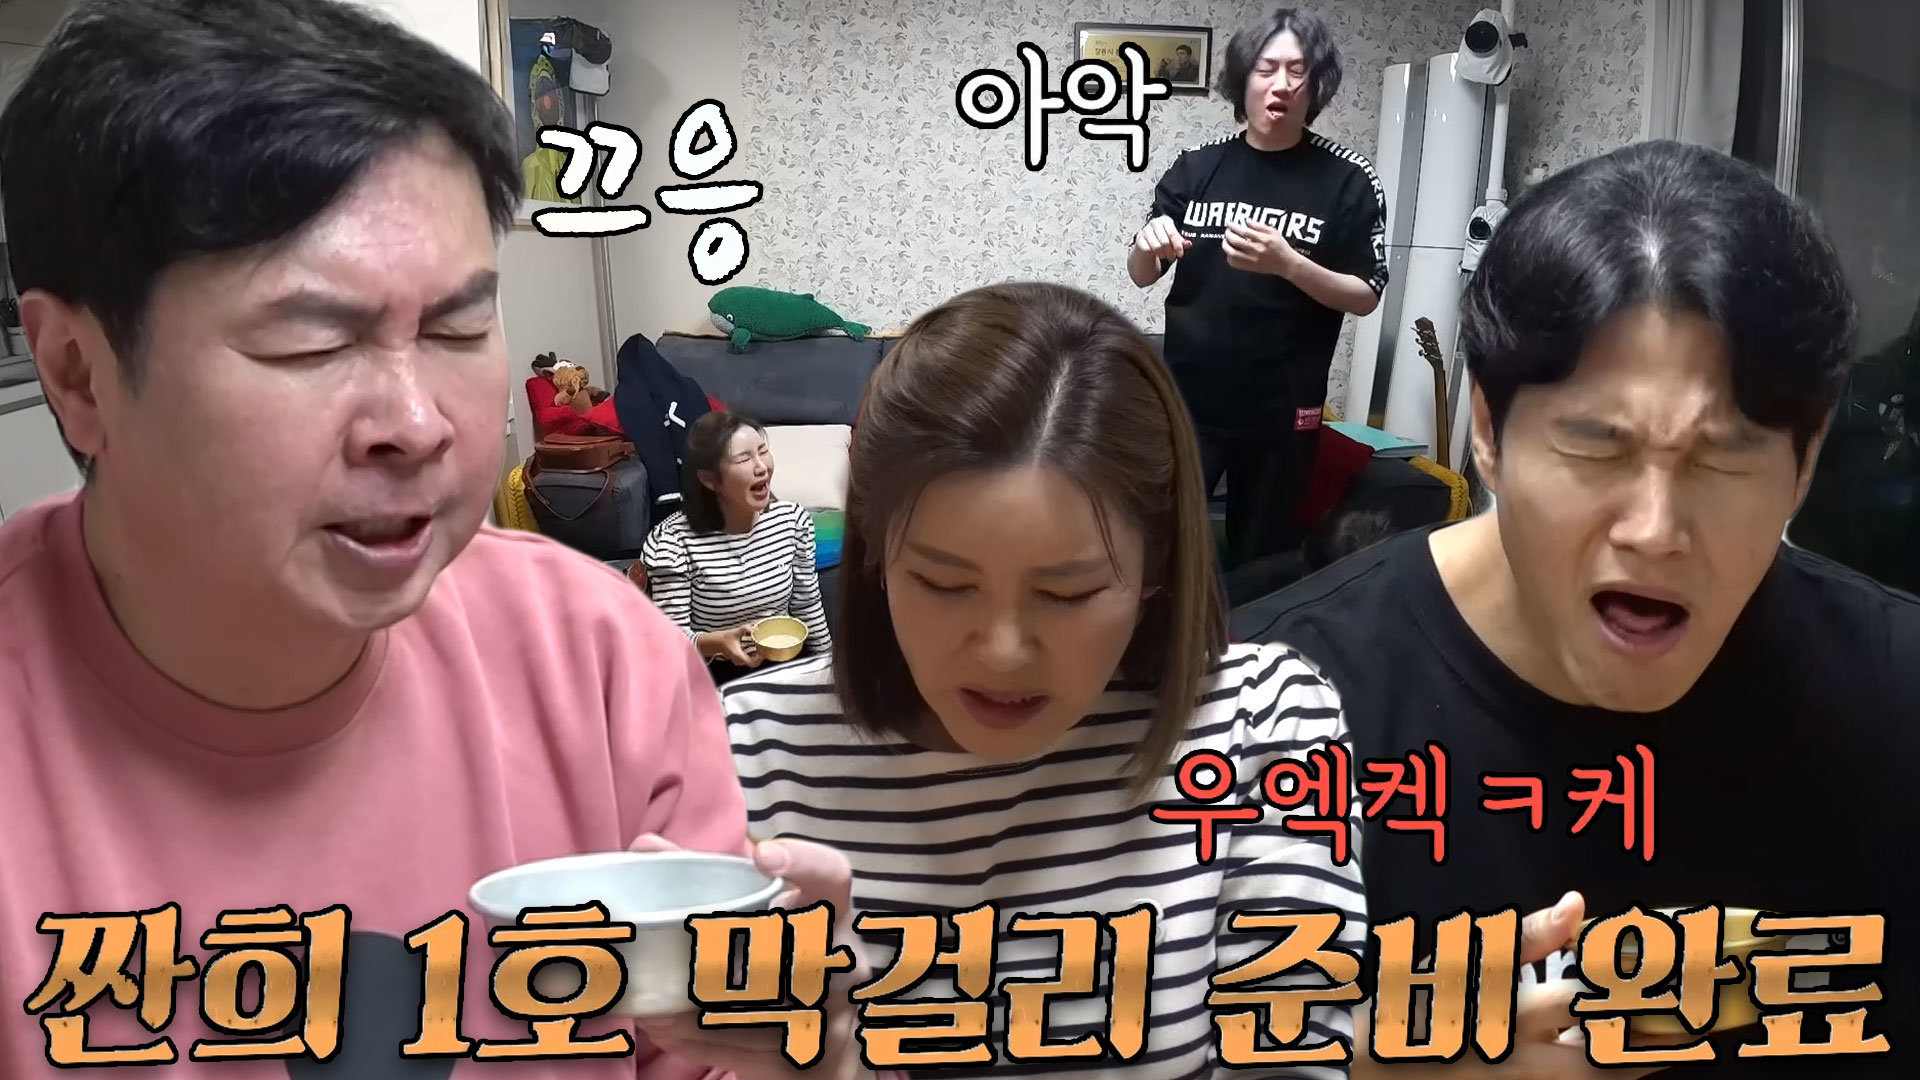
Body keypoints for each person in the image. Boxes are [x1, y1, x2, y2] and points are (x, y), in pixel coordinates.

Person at [0, 3, 852, 1078]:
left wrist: (818, 1057)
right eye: (311, 343)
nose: (418, 424)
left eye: (456, 327)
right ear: (77, 374)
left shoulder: (599, 660)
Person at [1255, 140, 1919, 1077]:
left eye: (1723, 458)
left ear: (1805, 464)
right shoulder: (1261, 720)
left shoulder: (1897, 701)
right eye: (1597, 449)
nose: (1655, 531)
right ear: (1488, 430)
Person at [723, 282, 1366, 1079]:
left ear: (1157, 564)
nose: (1001, 653)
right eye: (943, 584)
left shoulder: (1264, 720)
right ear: (876, 550)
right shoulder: (749, 745)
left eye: (1068, 594)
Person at [1129, 7, 1388, 570]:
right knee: (1163, 549)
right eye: (1267, 69)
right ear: (1242, 79)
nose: (1282, 84)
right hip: (1190, 404)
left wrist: (1289, 264)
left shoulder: (1348, 178)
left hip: (1283, 413)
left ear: (1316, 86)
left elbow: (1366, 294)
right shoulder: (1197, 167)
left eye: (1298, 71)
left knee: (1264, 560)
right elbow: (1142, 273)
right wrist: (1148, 244)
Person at [642, 409, 832, 684]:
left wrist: (830, 669)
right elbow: (669, 641)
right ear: (709, 480)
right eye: (744, 459)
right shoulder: (672, 543)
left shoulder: (792, 521)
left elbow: (807, 605)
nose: (761, 467)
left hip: (784, 665)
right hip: (713, 675)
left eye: (763, 451)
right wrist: (717, 642)